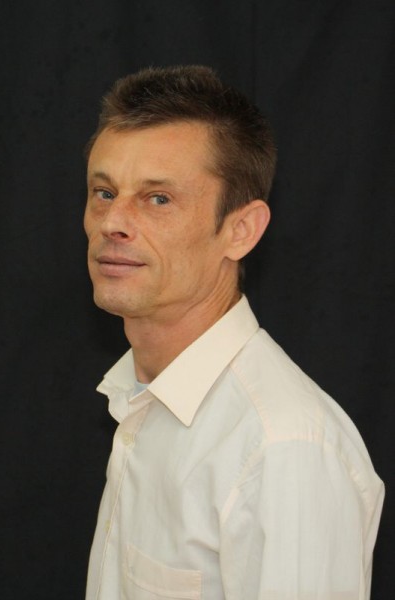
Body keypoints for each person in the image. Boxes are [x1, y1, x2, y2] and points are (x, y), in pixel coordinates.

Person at [84, 65, 384, 600]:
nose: (112, 222)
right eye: (104, 192)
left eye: (158, 199)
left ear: (241, 230)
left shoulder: (281, 448)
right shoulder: (141, 396)